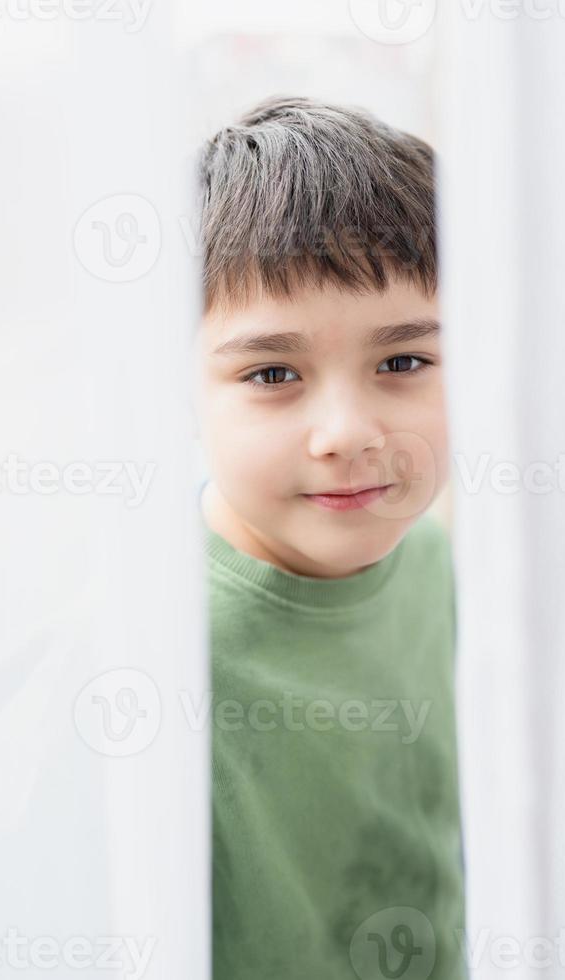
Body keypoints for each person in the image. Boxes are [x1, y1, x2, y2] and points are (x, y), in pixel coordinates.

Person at [194, 94, 466, 979]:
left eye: (403, 362)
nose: (346, 432)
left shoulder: (437, 564)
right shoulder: (169, 647)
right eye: (273, 372)